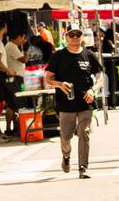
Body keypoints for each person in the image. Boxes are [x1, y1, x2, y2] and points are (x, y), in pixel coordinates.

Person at [44, 25, 102, 178]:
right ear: (66, 37)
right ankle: (66, 157)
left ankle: (83, 168)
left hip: (86, 102)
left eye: (78, 34)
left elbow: (100, 78)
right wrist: (59, 84)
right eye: (72, 34)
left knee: (84, 133)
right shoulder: (58, 56)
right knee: (65, 137)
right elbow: (48, 78)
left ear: (82, 37)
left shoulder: (89, 55)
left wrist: (93, 90)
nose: (75, 37)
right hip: (66, 103)